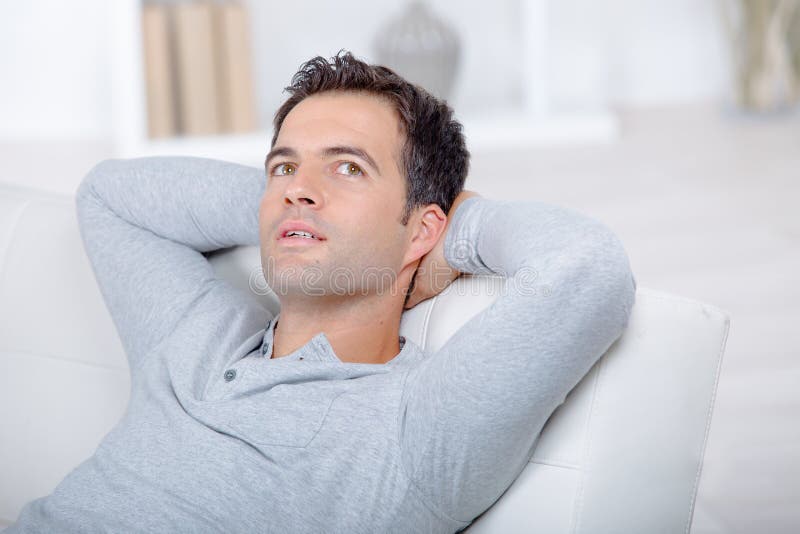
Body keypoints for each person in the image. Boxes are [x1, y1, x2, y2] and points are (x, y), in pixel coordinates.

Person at [7, 51, 636, 533]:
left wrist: (443, 232)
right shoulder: (195, 336)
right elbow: (111, 195)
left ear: (424, 228)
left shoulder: (419, 428)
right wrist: (294, 211)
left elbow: (584, 265)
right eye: (283, 166)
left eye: (348, 167)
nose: (296, 187)